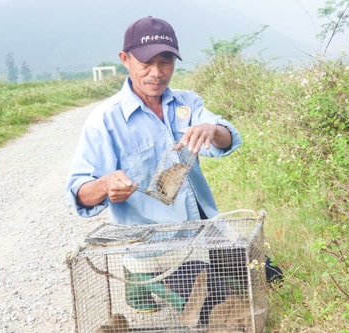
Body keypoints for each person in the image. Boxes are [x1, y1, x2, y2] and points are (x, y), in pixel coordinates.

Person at [66, 16, 241, 225]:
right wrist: (105, 184)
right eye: (146, 63)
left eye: (165, 62)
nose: (157, 73)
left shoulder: (187, 102)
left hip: (205, 228)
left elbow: (228, 140)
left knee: (259, 259)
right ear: (125, 59)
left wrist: (213, 130)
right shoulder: (105, 121)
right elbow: (79, 193)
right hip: (151, 246)